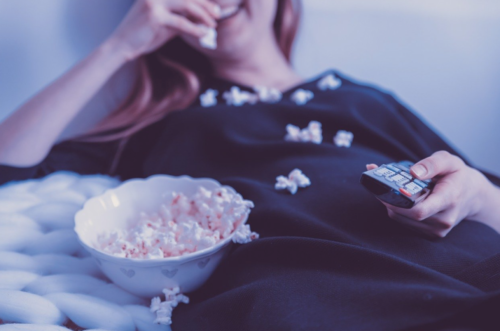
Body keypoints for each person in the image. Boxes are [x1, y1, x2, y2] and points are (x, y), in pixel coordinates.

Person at [1, 0, 500, 329]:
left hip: (466, 267)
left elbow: (488, 201)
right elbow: (9, 166)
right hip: (312, 296)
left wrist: (476, 194)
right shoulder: (167, 123)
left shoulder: (364, 100)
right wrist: (120, 46)